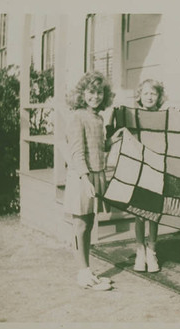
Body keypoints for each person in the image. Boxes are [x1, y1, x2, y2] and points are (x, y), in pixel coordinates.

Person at [106, 79, 167, 273]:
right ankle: (140, 250)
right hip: (138, 167)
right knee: (139, 213)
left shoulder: (162, 116)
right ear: (139, 95)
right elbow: (114, 130)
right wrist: (114, 114)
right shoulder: (132, 115)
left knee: (154, 212)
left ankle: (152, 250)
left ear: (159, 97)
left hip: (156, 166)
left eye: (153, 94)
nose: (149, 97)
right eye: (146, 93)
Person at [64, 71, 117, 290]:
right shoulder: (78, 116)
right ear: (82, 93)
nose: (95, 96)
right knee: (80, 225)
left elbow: (99, 147)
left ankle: (87, 270)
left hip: (96, 174)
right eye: (91, 92)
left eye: (99, 92)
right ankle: (82, 274)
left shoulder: (98, 117)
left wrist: (113, 139)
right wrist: (85, 179)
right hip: (81, 176)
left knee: (89, 223)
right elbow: (77, 152)